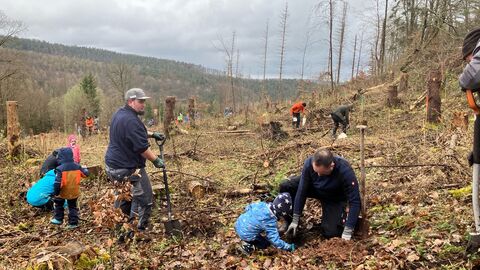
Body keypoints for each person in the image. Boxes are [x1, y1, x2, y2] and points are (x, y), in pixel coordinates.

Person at [104, 88, 165, 234]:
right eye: (140, 101)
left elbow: (133, 133)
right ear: (131, 101)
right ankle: (138, 230)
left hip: (112, 166)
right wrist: (156, 160)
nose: (143, 104)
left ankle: (120, 227)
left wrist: (152, 134)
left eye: (144, 101)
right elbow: (142, 149)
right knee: (144, 197)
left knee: (124, 197)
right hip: (128, 168)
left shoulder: (120, 113)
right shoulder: (131, 120)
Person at [280, 148, 361, 240]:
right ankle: (290, 222)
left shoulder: (344, 170)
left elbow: (355, 201)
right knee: (286, 186)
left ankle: (339, 221)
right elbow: (301, 190)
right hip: (315, 189)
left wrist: (348, 230)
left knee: (331, 233)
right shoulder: (309, 163)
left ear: (332, 166)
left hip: (333, 197)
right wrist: (295, 219)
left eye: (321, 173)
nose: (318, 175)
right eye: (316, 171)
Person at [50, 147, 89, 228]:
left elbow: (57, 182)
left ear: (60, 157)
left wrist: (56, 192)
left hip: (63, 192)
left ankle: (58, 219)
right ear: (71, 155)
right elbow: (85, 174)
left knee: (59, 204)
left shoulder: (59, 169)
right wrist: (85, 168)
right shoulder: (77, 166)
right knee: (72, 206)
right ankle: (73, 223)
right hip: (74, 191)